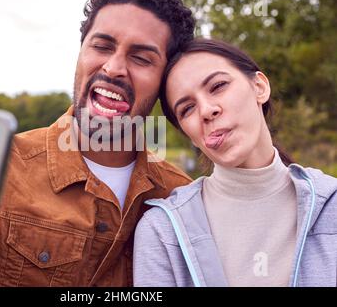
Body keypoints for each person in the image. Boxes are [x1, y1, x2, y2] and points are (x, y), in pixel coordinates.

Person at [0, 0, 195, 286]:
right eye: (101, 46)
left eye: (141, 58)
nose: (113, 68)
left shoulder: (182, 197)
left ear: (165, 80)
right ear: (80, 53)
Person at [133, 38, 337, 287]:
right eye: (187, 109)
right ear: (190, 136)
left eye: (218, 86)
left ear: (259, 87)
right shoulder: (162, 232)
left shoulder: (331, 205)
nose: (207, 111)